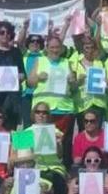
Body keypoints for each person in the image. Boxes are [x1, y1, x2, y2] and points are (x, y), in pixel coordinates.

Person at [27, 36, 77, 166]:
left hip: (63, 108)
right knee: (38, 140)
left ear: (61, 49)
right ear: (47, 49)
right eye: (52, 47)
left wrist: (73, 81)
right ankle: (37, 165)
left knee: (62, 142)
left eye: (57, 47)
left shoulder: (67, 62)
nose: (55, 50)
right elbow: (30, 83)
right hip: (43, 110)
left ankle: (63, 169)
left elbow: (74, 87)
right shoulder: (39, 60)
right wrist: (37, 77)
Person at [26, 101, 69, 194]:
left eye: (45, 112)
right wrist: (33, 155)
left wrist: (59, 144)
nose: (41, 115)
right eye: (38, 112)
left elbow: (60, 156)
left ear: (48, 115)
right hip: (35, 167)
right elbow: (19, 157)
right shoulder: (25, 132)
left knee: (57, 181)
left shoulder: (55, 131)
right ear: (33, 114)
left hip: (54, 167)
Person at [72, 37, 106, 131]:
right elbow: (71, 87)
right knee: (83, 132)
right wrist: (78, 82)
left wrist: (106, 83)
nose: (90, 51)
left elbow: (106, 83)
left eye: (92, 48)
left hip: (98, 103)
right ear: (83, 49)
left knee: (97, 133)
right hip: (82, 104)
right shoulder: (75, 64)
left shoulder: (100, 63)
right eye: (87, 48)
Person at [19, 32, 44, 129]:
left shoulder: (44, 56)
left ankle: (39, 144)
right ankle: (26, 144)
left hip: (40, 94)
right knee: (27, 124)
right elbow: (19, 43)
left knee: (41, 124)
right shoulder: (24, 55)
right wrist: (24, 28)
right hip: (26, 95)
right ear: (28, 44)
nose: (35, 43)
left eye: (38, 41)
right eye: (32, 41)